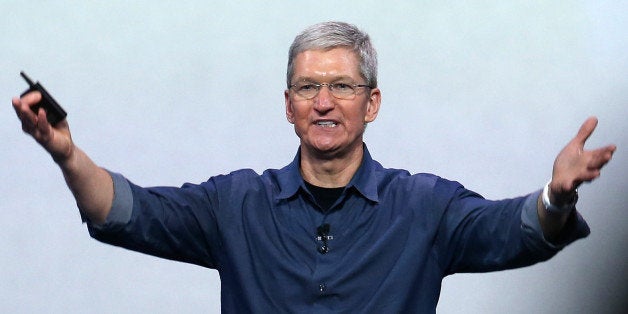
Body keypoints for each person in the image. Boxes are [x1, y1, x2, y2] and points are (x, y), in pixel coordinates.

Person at [12, 21, 616, 313]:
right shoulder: (236, 204)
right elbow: (123, 211)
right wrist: (67, 154)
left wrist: (556, 196)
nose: (323, 102)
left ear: (371, 103)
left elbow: (513, 230)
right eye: (307, 87)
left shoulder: (424, 207)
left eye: (341, 86)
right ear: (289, 107)